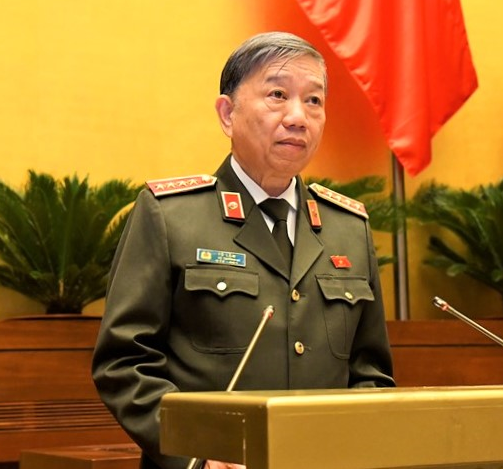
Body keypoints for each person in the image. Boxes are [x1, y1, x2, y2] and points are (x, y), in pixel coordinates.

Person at [92, 31, 395, 469]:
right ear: (227, 113)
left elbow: (371, 375)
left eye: (313, 100)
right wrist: (198, 453)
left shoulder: (348, 228)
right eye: (277, 95)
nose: (298, 117)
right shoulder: (171, 216)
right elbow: (125, 363)